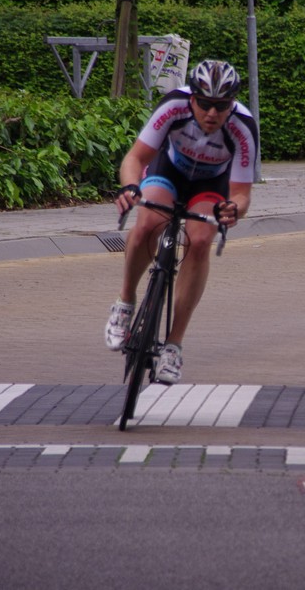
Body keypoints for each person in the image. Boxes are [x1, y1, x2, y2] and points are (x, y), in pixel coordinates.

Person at [104, 60, 259, 385]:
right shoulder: (174, 105)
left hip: (209, 185)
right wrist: (130, 187)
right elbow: (135, 158)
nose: (212, 113)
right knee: (148, 222)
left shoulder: (243, 126)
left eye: (221, 106)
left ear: (232, 104)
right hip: (168, 171)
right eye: (204, 103)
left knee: (200, 241)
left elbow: (242, 194)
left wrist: (234, 209)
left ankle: (173, 345)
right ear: (192, 98)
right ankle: (125, 301)